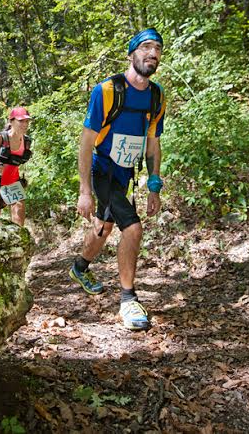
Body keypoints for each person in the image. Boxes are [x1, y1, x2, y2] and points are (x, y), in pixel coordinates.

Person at [72, 28, 166, 331]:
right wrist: (85, 190)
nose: (152, 54)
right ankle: (128, 300)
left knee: (107, 225)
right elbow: (86, 142)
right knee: (133, 227)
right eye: (146, 47)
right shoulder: (107, 91)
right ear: (131, 53)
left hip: (126, 172)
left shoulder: (156, 96)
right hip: (103, 169)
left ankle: (79, 267)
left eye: (158, 49)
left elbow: (153, 141)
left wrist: (154, 183)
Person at [0, 107, 32, 226]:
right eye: (21, 121)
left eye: (27, 121)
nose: (25, 124)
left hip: (13, 184)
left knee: (19, 226)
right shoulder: (0, 139)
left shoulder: (27, 141)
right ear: (11, 121)